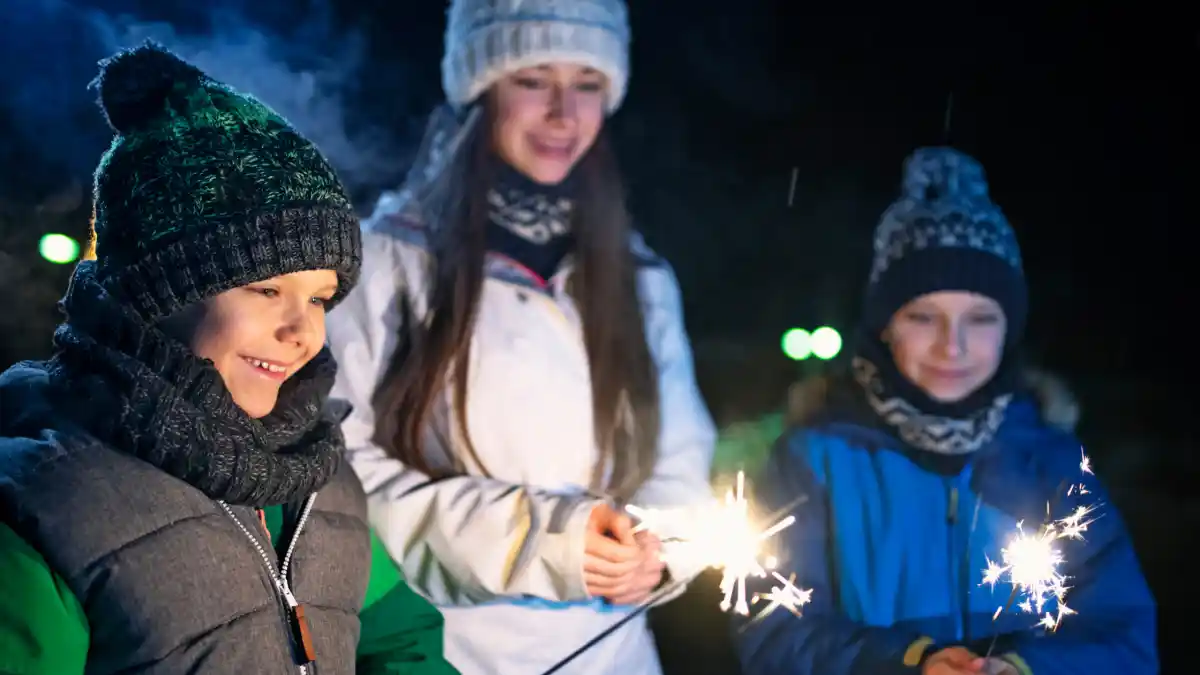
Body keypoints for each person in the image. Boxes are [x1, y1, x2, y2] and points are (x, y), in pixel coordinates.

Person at [0, 42, 454, 674]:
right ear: (159, 294)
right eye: (266, 289)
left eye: (321, 298)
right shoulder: (45, 502)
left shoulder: (318, 480)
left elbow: (398, 643)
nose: (302, 331)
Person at [326, 0, 717, 672]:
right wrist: (536, 541)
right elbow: (339, 475)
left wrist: (656, 546)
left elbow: (681, 465)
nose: (565, 115)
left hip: (615, 655)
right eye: (534, 80)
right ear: (480, 88)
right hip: (450, 652)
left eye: (589, 85)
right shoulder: (388, 261)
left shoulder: (640, 279)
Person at [734, 148, 1157, 675]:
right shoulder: (813, 461)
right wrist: (911, 662)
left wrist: (1025, 667)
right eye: (923, 317)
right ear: (884, 325)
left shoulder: (1052, 463)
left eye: (980, 318)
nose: (951, 347)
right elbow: (772, 633)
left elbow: (1126, 638)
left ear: (1011, 328)